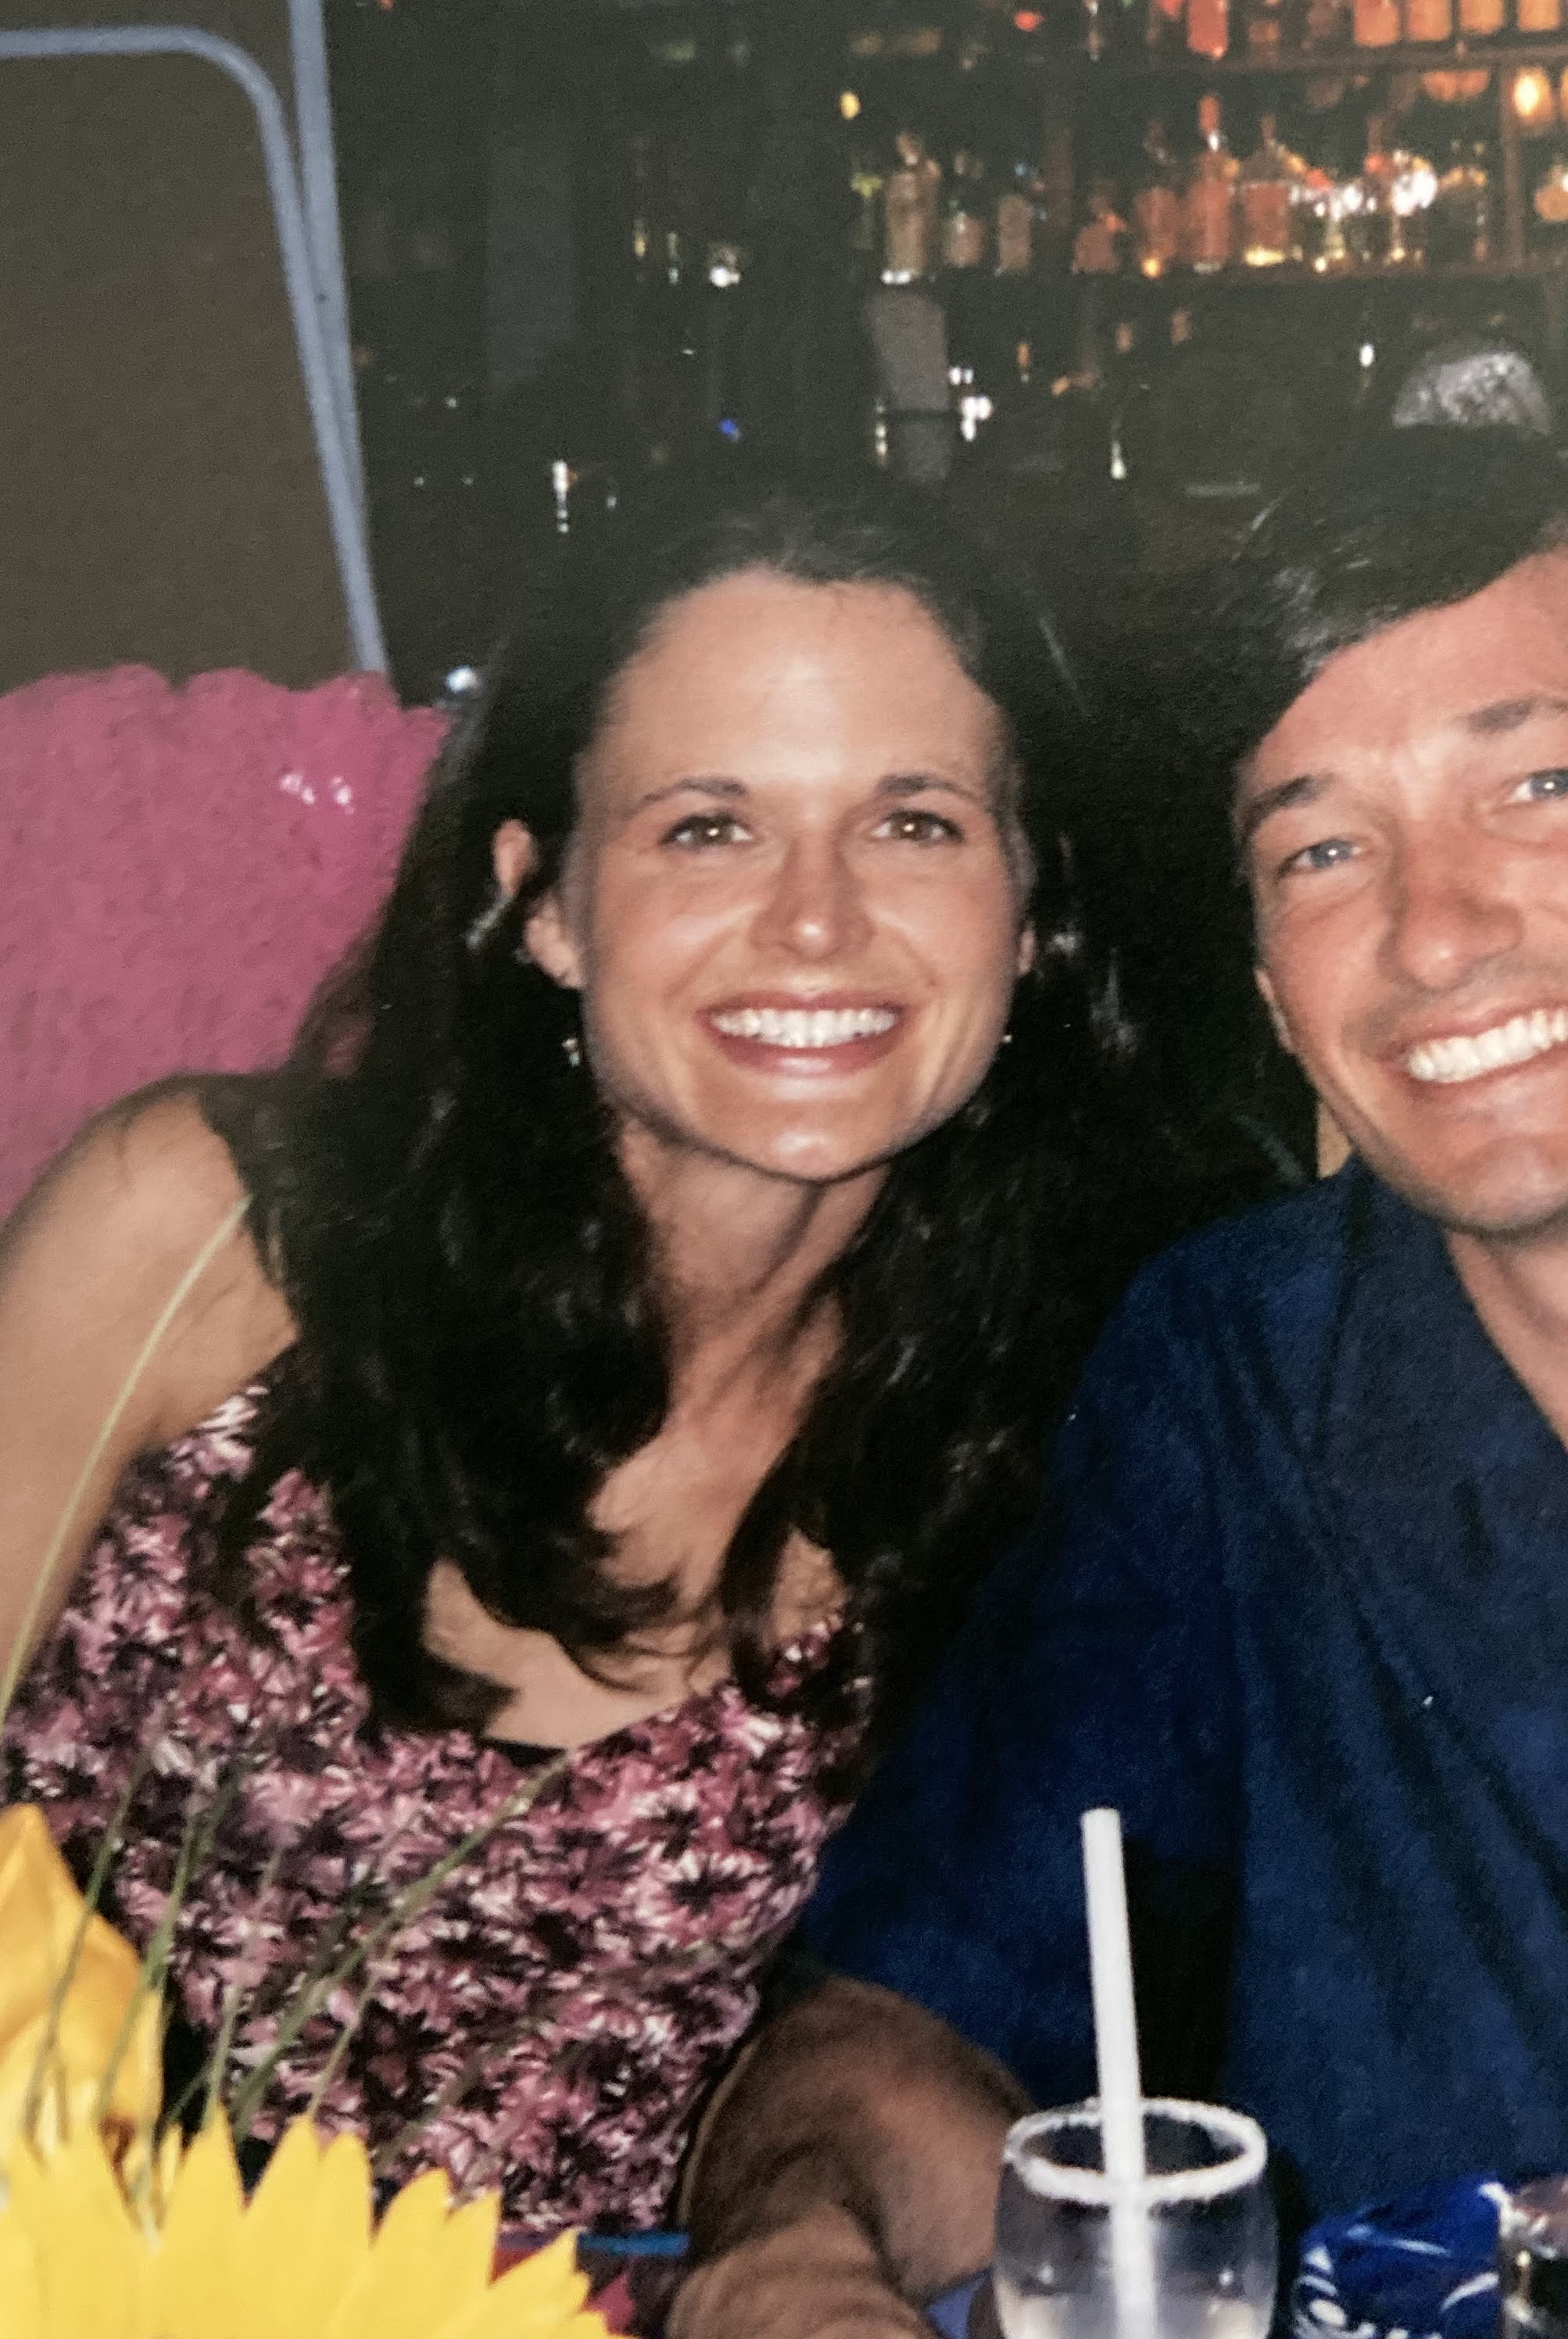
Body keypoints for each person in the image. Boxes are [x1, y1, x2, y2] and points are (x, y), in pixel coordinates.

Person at [670, 429, 1568, 2339]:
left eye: (1536, 785)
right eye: (1320, 847)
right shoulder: (1228, 1379)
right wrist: (798, 2248)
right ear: (1275, 988)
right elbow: (921, 2010)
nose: (1430, 930)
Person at [0, 473, 1240, 2232]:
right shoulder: (206, 1233)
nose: (815, 918)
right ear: (545, 903)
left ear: (1034, 914)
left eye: (915, 823)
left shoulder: (1070, 1424)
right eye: (707, 827)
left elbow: (956, 2067)